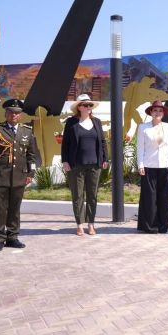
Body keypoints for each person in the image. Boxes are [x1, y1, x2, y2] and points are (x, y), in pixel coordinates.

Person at [0, 99, 37, 252]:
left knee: (14, 208)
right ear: (6, 113)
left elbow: (31, 156)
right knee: (0, 208)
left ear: (20, 115)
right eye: (11, 112)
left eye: (17, 113)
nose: (14, 115)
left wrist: (31, 173)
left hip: (20, 176)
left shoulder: (27, 131)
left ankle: (12, 237)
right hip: (0, 176)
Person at [61, 94, 109, 236]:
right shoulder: (71, 123)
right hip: (76, 165)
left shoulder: (97, 122)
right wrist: (65, 161)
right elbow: (66, 143)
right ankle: (79, 224)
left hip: (95, 165)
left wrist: (105, 159)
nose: (88, 107)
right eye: (85, 105)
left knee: (92, 195)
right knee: (77, 195)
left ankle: (91, 224)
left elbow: (102, 141)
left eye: (90, 105)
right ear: (79, 107)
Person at [136, 100, 168, 233]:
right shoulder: (143, 127)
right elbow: (140, 148)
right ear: (151, 112)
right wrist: (140, 164)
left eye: (160, 110)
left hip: (165, 167)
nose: (157, 113)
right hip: (149, 166)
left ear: (163, 113)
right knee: (149, 198)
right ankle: (150, 226)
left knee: (164, 198)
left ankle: (162, 226)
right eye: (155, 110)